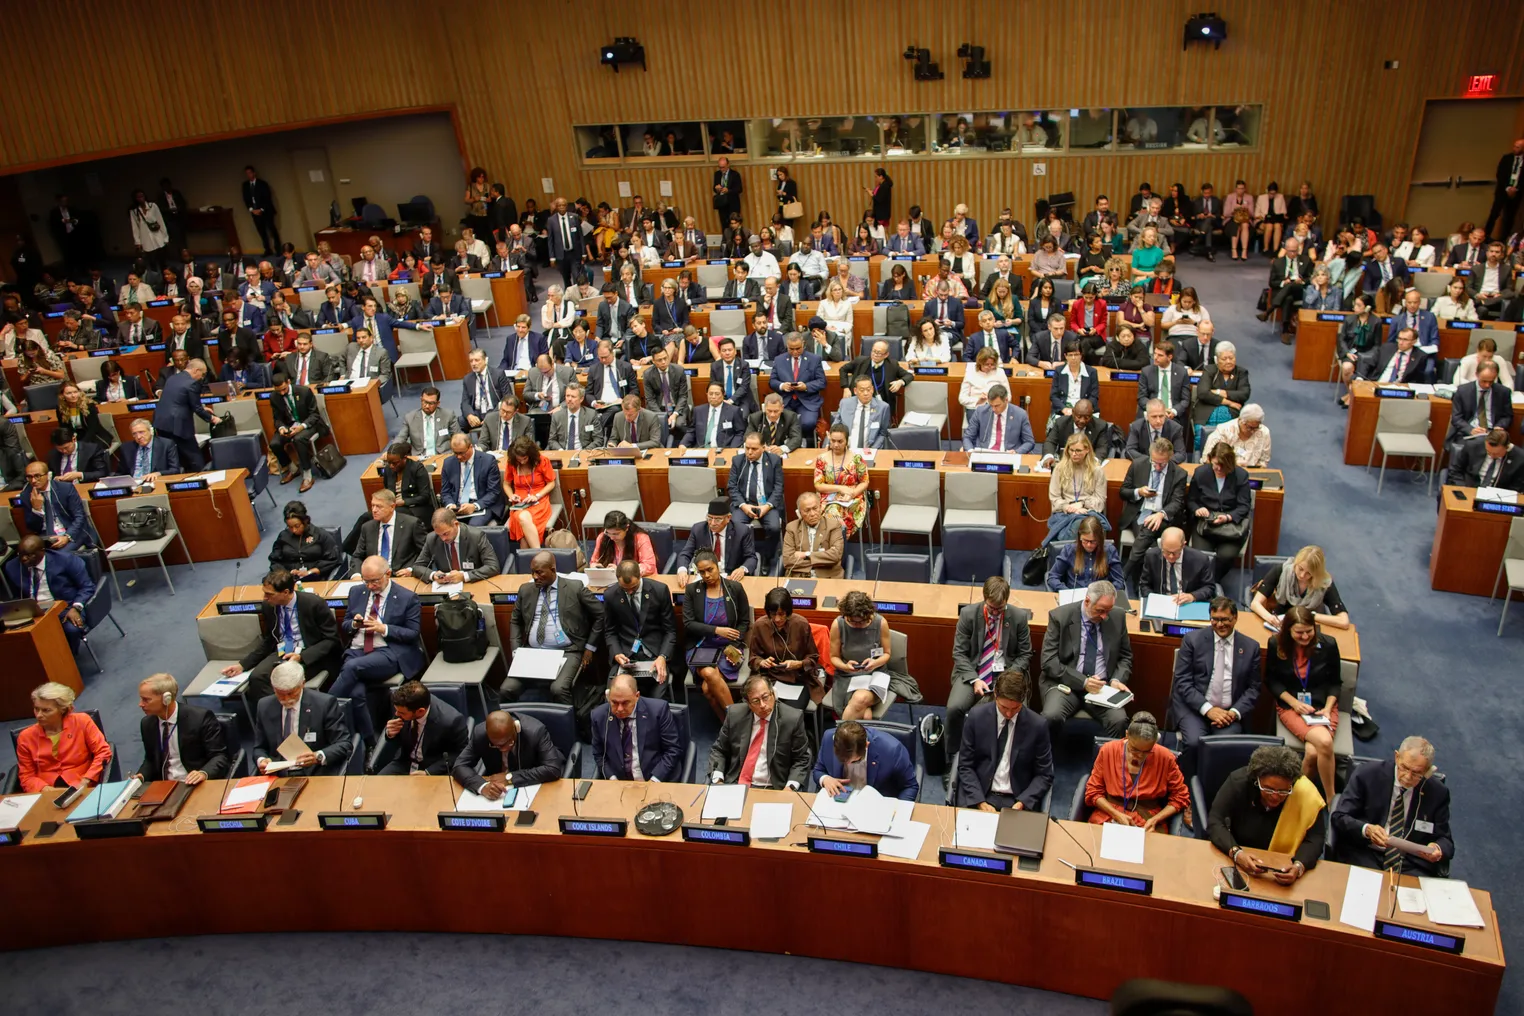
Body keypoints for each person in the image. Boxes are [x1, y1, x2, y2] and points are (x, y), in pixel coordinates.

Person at [331, 557, 427, 745]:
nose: (370, 586)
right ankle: (370, 744)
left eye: (374, 581)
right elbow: (346, 623)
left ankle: (325, 708)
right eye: (366, 581)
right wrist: (354, 623)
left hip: (387, 651)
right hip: (358, 649)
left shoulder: (408, 597)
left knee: (351, 668)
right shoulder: (356, 591)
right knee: (357, 692)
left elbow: (413, 633)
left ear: (388, 574)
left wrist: (384, 628)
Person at [1332, 736, 1453, 875]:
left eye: (1416, 773)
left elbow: (1446, 840)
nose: (1407, 777)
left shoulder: (1437, 793)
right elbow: (1339, 817)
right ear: (1397, 757)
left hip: (1410, 863)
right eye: (1404, 768)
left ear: (1428, 771)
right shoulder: (1367, 775)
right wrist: (1366, 829)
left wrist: (1436, 848)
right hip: (1365, 854)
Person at [1170, 598, 1262, 778]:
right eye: (1215, 619)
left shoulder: (1251, 647)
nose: (1220, 624)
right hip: (1195, 709)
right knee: (1195, 743)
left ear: (1235, 618)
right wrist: (1208, 710)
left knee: (1225, 747)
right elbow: (1182, 682)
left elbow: (1254, 688)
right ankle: (1187, 788)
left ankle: (1214, 788)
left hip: (1229, 714)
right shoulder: (1192, 640)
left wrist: (1234, 712)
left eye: (1225, 619)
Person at [1209, 744, 1325, 885]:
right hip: (1239, 861)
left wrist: (1299, 866)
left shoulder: (1306, 795)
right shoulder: (1238, 783)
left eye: (1283, 791)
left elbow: (1316, 838)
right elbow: (1215, 821)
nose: (1275, 797)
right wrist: (1237, 854)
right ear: (1257, 780)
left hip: (1282, 867)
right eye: (1268, 789)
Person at [508, 551, 604, 713]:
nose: (535, 577)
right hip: (533, 652)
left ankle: (570, 728)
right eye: (532, 572)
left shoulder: (575, 587)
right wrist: (516, 649)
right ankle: (513, 726)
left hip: (567, 650)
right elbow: (515, 620)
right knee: (506, 690)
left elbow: (601, 614)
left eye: (539, 572)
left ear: (553, 570)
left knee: (558, 689)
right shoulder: (525, 590)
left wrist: (589, 647)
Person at [1039, 580, 1131, 741]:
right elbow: (1049, 661)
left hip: (1103, 688)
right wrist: (1083, 682)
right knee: (1051, 716)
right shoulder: (1060, 616)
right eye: (1100, 610)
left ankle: (1111, 761)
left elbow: (1125, 656)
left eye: (1108, 611)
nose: (1104, 616)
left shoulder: (1117, 616)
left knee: (1119, 720)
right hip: (1065, 684)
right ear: (1087, 601)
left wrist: (1116, 679)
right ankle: (1046, 760)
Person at [1266, 606, 1343, 796]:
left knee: (1313, 753)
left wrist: (1327, 708)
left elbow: (1335, 683)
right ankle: (1331, 798)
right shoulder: (1276, 644)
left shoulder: (1328, 645)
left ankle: (1294, 797)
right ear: (1288, 631)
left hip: (1322, 707)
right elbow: (1271, 681)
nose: (1305, 637)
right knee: (1324, 743)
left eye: (1309, 631)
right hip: (1291, 706)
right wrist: (1294, 703)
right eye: (1299, 633)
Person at [955, 669, 1053, 811]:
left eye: (1015, 708)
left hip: (1017, 799)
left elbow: (1045, 775)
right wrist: (980, 802)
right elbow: (965, 765)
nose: (1008, 713)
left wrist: (1022, 802)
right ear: (995, 694)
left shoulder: (1038, 726)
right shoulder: (976, 717)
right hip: (980, 793)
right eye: (1003, 707)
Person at [1083, 712, 1188, 831]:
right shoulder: (1108, 750)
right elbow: (1093, 792)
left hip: (1148, 819)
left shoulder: (1165, 757)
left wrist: (1156, 819)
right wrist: (1115, 814)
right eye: (1134, 749)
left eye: (1146, 751)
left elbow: (1181, 797)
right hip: (1109, 814)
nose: (1139, 756)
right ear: (1127, 735)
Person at [709, 674, 812, 789]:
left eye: (765, 697)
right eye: (756, 701)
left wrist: (790, 787)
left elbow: (802, 759)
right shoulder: (735, 715)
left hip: (775, 787)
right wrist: (717, 780)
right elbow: (719, 750)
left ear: (773, 694)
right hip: (736, 783)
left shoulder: (792, 719)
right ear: (748, 703)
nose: (763, 705)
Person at [829, 589, 918, 721]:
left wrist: (875, 663)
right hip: (847, 676)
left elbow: (887, 654)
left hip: (875, 674)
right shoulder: (838, 624)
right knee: (866, 715)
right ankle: (851, 739)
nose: (857, 625)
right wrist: (845, 666)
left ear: (869, 614)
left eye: (861, 622)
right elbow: (834, 657)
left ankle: (840, 737)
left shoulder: (880, 622)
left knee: (860, 699)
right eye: (853, 622)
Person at [252, 661, 352, 777]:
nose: (286, 699)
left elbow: (344, 743)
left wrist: (317, 756)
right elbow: (259, 747)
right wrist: (262, 760)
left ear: (302, 684)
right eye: (280, 694)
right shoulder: (264, 706)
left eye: (291, 693)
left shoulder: (324, 704)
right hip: (277, 774)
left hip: (314, 772)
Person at [15, 681, 112, 792]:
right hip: (46, 789)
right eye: (36, 709)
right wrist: (46, 790)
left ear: (63, 710)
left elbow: (103, 752)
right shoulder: (25, 737)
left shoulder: (82, 721)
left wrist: (86, 780)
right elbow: (26, 776)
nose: (39, 715)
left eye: (46, 710)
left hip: (81, 784)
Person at [133, 673, 229, 785]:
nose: (140, 704)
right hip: (164, 787)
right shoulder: (147, 723)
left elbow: (220, 756)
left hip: (193, 783)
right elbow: (151, 759)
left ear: (166, 699)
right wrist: (141, 777)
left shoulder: (200, 718)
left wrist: (203, 773)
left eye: (146, 700)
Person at [4, 534, 92, 652]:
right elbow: (16, 595)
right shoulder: (12, 567)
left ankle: (68, 658)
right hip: (33, 611)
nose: (24, 559)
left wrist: (76, 608)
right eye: (21, 555)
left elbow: (87, 587)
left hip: (64, 607)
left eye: (29, 555)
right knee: (12, 635)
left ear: (42, 551)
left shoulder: (65, 560)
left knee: (72, 630)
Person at [452, 708, 565, 798]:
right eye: (496, 745)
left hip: (533, 788)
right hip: (499, 794)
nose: (503, 749)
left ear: (517, 728)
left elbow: (552, 769)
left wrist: (509, 778)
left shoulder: (535, 732)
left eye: (507, 743)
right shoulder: (480, 734)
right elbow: (459, 766)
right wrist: (483, 786)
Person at [372, 681, 468, 777]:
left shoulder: (451, 721)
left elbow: (460, 753)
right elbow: (398, 736)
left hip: (432, 767)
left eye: (401, 713)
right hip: (405, 762)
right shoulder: (402, 706)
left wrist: (428, 772)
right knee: (378, 786)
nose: (397, 714)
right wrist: (390, 733)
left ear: (420, 711)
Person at [1188, 442, 1253, 580]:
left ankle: (1210, 582)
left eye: (1222, 465)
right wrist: (1198, 509)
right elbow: (1191, 500)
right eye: (1215, 464)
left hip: (1231, 526)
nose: (1217, 468)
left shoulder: (1241, 476)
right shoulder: (1201, 473)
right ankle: (1205, 583)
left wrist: (1228, 517)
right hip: (1206, 524)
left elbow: (1244, 506)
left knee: (1226, 556)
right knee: (1201, 556)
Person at [1251, 545, 1350, 630]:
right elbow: (1255, 603)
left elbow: (1344, 621)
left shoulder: (1323, 582)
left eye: (1309, 573)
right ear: (1296, 562)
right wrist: (1269, 617)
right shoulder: (1281, 571)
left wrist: (1313, 616)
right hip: (1281, 621)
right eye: (1300, 569)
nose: (1302, 575)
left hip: (1308, 625)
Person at [153, 357, 222, 470]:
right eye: (203, 374)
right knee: (193, 453)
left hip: (161, 422)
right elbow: (196, 408)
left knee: (174, 455)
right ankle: (202, 477)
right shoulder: (192, 383)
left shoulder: (173, 378)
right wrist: (212, 419)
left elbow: (179, 398)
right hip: (178, 424)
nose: (202, 378)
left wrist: (203, 407)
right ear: (196, 371)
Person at [1044, 432, 1107, 546]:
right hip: (1064, 512)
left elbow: (1100, 500)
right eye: (1071, 450)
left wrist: (1082, 504)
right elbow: (1054, 497)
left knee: (1079, 524)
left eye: (1078, 451)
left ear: (1087, 450)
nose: (1074, 454)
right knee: (1074, 525)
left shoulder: (1097, 471)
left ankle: (1061, 552)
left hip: (1088, 512)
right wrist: (1067, 507)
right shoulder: (1060, 468)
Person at [409, 506, 500, 585]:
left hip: (474, 584)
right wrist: (433, 575)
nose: (443, 539)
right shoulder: (432, 539)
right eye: (439, 535)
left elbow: (493, 567)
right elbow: (417, 567)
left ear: (455, 524)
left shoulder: (476, 536)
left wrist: (464, 576)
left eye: (445, 533)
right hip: (447, 588)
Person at [20, 460, 94, 551]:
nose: (33, 480)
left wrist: (67, 536)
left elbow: (79, 517)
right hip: (45, 536)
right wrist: (37, 509)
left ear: (48, 475)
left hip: (71, 532)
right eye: (29, 477)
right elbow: (32, 527)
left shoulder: (65, 488)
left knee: (58, 556)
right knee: (29, 555)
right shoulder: (26, 495)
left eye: (37, 476)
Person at [350, 490, 427, 576]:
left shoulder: (411, 524)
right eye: (373, 506)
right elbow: (357, 556)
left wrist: (411, 570)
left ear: (392, 507)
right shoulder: (367, 527)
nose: (374, 510)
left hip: (402, 576)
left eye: (379, 506)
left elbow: (426, 553)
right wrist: (356, 575)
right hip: (374, 576)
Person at [813, 423, 869, 539]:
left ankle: (835, 548)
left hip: (852, 499)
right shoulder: (821, 459)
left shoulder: (856, 459)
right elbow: (818, 485)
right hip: (827, 499)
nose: (836, 445)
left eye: (840, 441)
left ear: (847, 441)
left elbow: (865, 481)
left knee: (833, 518)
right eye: (833, 441)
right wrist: (840, 488)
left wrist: (852, 493)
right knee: (832, 511)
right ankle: (838, 545)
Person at [1137, 526, 1215, 605]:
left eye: (1175, 552)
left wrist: (1192, 596)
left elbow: (1209, 587)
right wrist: (1154, 599)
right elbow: (1144, 584)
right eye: (1167, 552)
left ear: (1183, 545)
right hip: (1161, 603)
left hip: (1188, 604)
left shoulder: (1200, 559)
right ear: (1161, 545)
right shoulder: (1151, 556)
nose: (1171, 556)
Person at [1046, 516, 1122, 592]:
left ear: (1100, 538)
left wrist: (1108, 595)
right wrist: (1066, 592)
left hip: (1099, 598)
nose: (1089, 545)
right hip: (1073, 596)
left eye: (1093, 541)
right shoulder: (1069, 550)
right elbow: (1053, 577)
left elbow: (1119, 581)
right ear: (1080, 537)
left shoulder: (1109, 551)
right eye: (1085, 540)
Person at [268, 501, 340, 580]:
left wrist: (311, 572)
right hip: (288, 579)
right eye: (290, 527)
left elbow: (333, 560)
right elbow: (275, 561)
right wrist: (286, 573)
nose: (294, 530)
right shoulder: (283, 536)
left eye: (297, 526)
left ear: (305, 521)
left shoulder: (321, 535)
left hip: (315, 578)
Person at [378, 443, 438, 524]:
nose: (391, 466)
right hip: (394, 507)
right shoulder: (388, 469)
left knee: (390, 516)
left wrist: (404, 502)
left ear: (404, 458)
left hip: (416, 508)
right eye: (389, 462)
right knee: (366, 517)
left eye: (395, 463)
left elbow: (424, 497)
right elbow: (387, 491)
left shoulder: (417, 469)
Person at [1449, 427, 1524, 490]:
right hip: (1470, 489)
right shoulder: (1473, 446)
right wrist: (1462, 488)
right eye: (1488, 452)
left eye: (1496, 454)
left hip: (1497, 496)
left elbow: (1517, 486)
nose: (1492, 456)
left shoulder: (1520, 458)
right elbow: (1455, 470)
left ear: (1507, 447)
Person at [1200, 402, 1272, 467]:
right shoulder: (1223, 430)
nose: (1252, 431)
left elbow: (1264, 462)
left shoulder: (1264, 432)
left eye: (1256, 428)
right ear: (1240, 420)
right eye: (1249, 427)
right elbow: (1207, 459)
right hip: (1224, 472)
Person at [1485, 137, 1523, 240]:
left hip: (1516, 193)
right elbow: (1500, 174)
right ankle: (1486, 235)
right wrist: (1507, 187)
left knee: (1509, 217)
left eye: (1518, 147)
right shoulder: (1507, 158)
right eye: (1514, 146)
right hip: (1502, 191)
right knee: (1494, 214)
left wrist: (1517, 189)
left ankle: (1503, 239)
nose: (1515, 149)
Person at [241, 166, 280, 253]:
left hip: (266, 211)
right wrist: (252, 209)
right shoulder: (245, 185)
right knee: (261, 232)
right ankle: (267, 249)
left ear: (254, 173)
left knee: (272, 230)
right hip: (254, 212)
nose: (248, 175)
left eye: (250, 173)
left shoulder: (262, 184)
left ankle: (278, 249)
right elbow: (246, 199)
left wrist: (261, 209)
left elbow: (267, 198)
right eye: (247, 173)